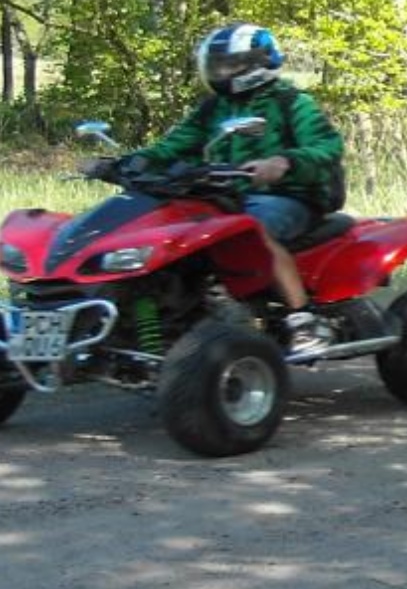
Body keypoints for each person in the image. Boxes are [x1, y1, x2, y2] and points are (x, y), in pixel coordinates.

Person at [86, 23, 345, 357]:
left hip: (287, 196)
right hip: (222, 197)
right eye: (216, 63)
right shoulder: (214, 107)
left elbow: (329, 147)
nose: (220, 71)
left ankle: (302, 319)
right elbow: (172, 147)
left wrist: (283, 162)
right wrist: (121, 164)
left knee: (251, 229)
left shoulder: (291, 102)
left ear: (257, 62)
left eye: (230, 64)